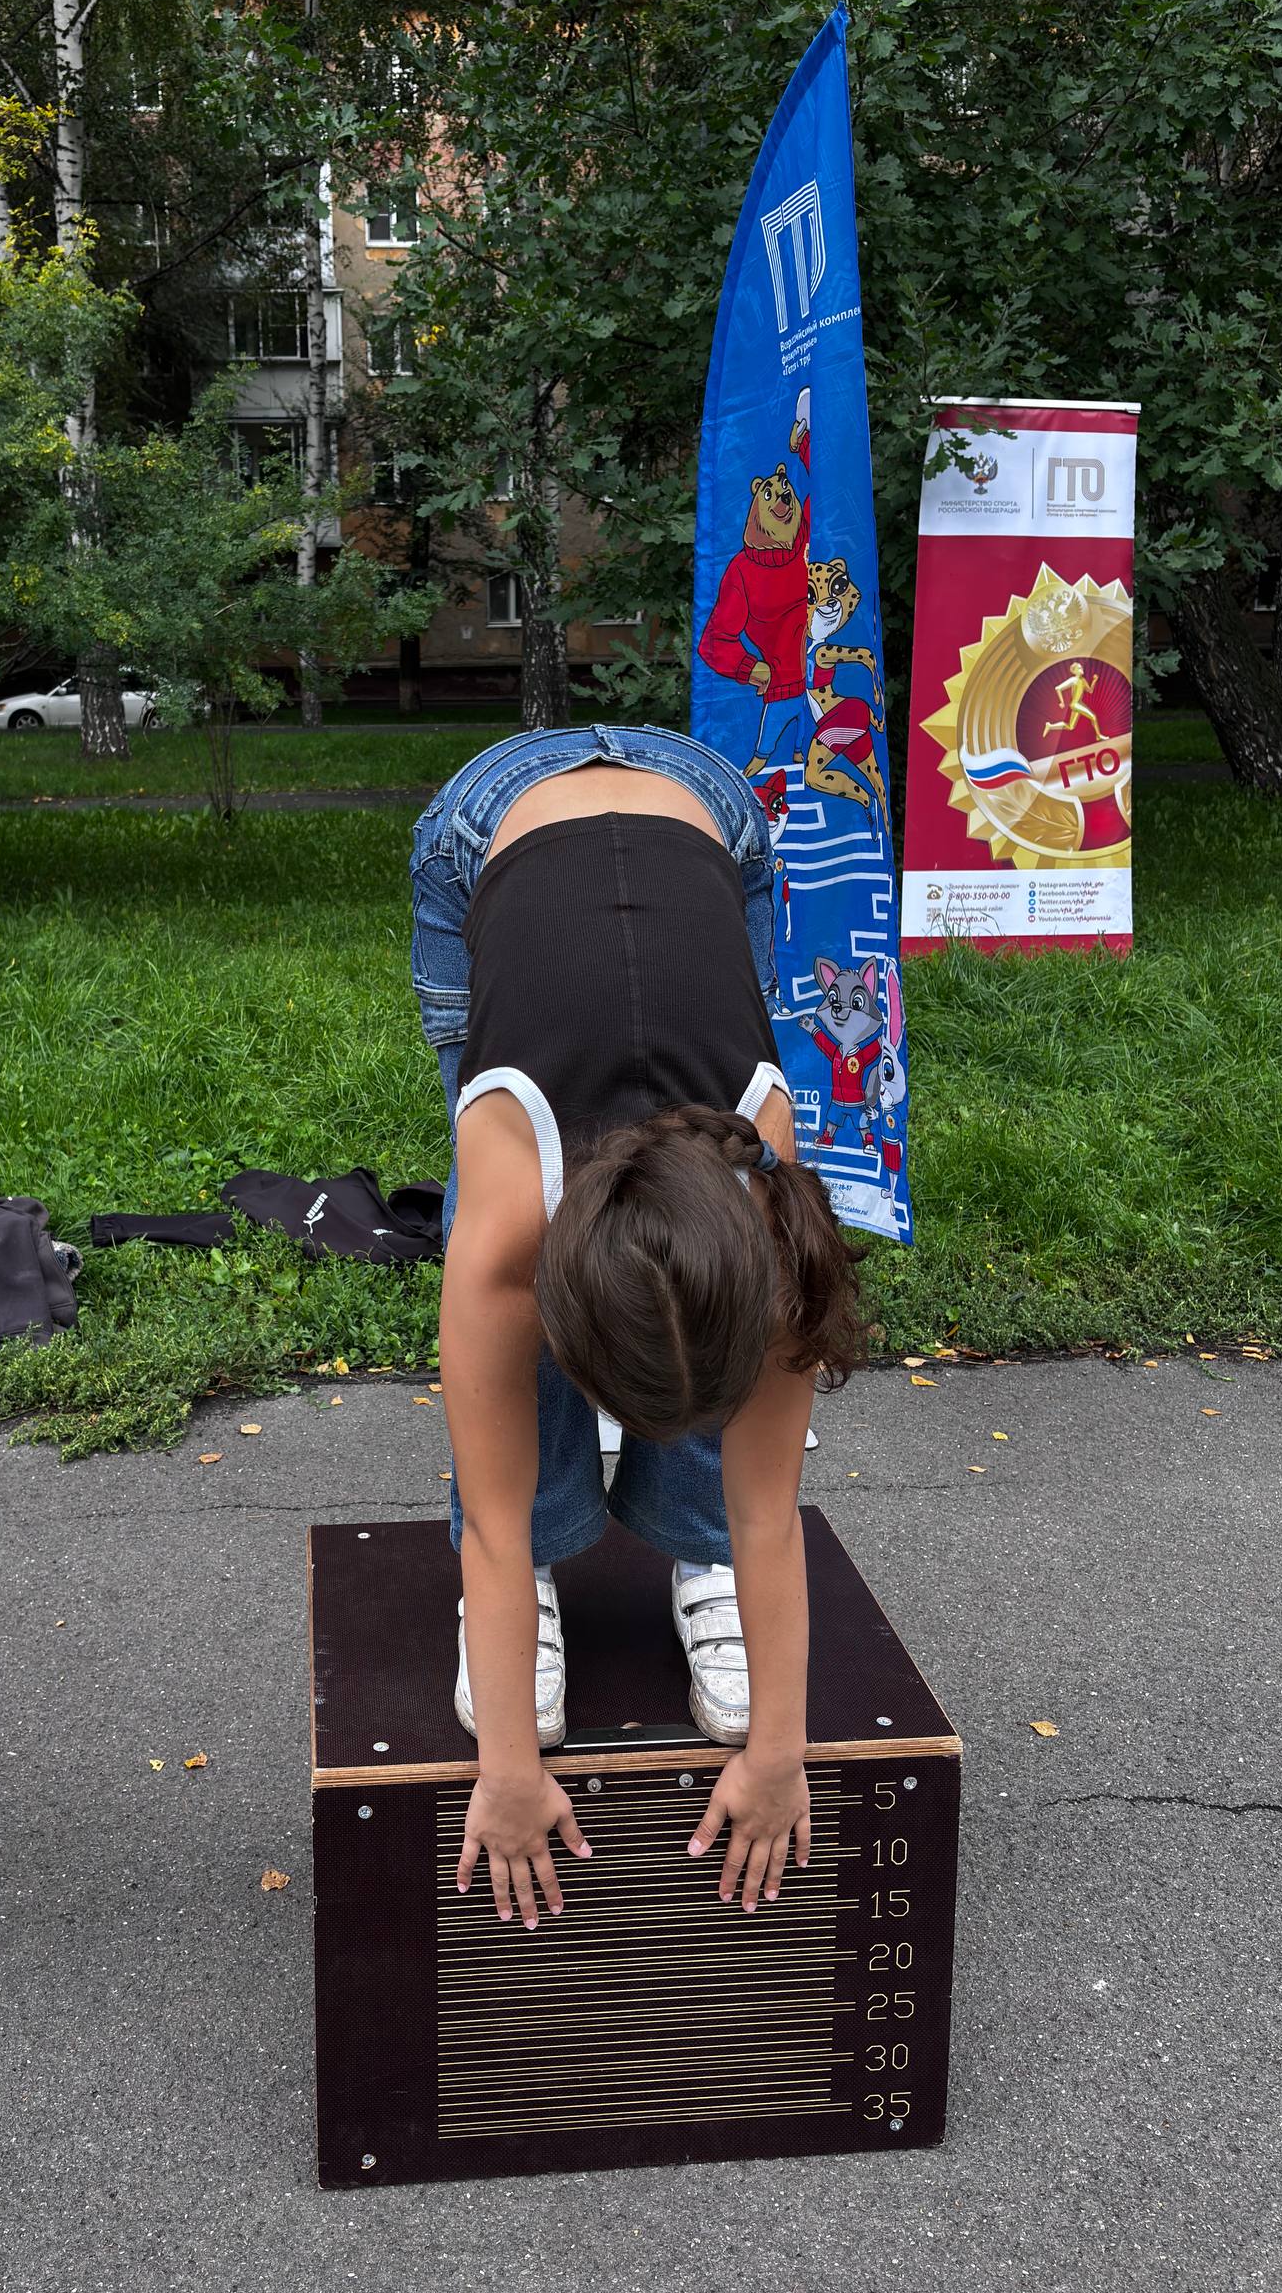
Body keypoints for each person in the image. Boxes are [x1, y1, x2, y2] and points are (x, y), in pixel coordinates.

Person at [410, 723, 863, 1932]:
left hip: (701, 811)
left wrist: (781, 1751)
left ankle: (690, 1554)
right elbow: (491, 1521)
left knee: (725, 1481)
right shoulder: (509, 1219)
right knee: (512, 1454)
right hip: (489, 827)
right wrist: (510, 1772)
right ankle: (542, 1591)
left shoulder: (769, 1215)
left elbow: (769, 1510)